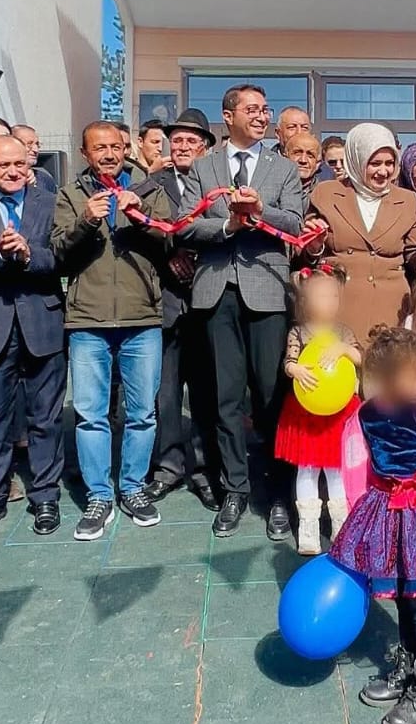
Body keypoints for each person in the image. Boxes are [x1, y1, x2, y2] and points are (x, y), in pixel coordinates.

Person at [181, 84, 304, 540]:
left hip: (267, 292)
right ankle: (235, 488)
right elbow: (185, 226)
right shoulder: (203, 166)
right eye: (251, 109)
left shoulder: (283, 167)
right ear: (228, 116)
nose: (261, 116)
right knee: (225, 398)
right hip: (216, 293)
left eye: (265, 110)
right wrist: (228, 225)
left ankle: (277, 493)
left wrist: (261, 211)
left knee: (271, 398)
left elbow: (296, 223)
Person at [334, 327, 416, 724]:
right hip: (388, 518)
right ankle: (408, 668)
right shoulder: (366, 416)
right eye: (415, 374)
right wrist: (363, 517)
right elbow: (356, 468)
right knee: (402, 600)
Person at [52, 121, 171, 539]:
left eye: (115, 147)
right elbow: (58, 254)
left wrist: (141, 218)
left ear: (126, 149)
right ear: (85, 153)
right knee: (90, 415)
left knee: (142, 413)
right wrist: (86, 221)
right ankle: (99, 495)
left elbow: (170, 244)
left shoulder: (150, 191)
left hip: (142, 317)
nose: (108, 154)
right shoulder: (70, 195)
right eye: (99, 148)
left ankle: (133, 488)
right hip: (88, 319)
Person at [0, 136, 65, 539]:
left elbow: (64, 258)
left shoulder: (50, 202)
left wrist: (29, 254)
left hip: (42, 320)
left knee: (46, 418)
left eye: (20, 163)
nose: (13, 171)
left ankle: (46, 496)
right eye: (4, 165)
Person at [144, 108, 217, 509]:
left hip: (208, 300)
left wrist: (197, 255)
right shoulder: (152, 184)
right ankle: (168, 467)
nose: (183, 146)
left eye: (192, 140)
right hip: (168, 302)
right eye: (177, 140)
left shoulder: (219, 182)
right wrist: (169, 254)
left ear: (206, 147)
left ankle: (205, 469)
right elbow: (138, 233)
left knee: (207, 392)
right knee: (166, 394)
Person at [306, 124, 416, 343]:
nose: (383, 171)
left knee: (385, 363)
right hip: (338, 305)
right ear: (356, 160)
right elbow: (302, 254)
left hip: (391, 308)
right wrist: (314, 246)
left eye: (389, 163)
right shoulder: (326, 194)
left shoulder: (407, 200)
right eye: (375, 163)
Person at [276, 265, 361, 553]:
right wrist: (296, 370)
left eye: (333, 296)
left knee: (337, 470)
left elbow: (360, 357)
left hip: (338, 413)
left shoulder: (343, 332)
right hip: (307, 413)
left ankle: (341, 525)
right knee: (308, 470)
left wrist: (343, 349)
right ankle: (308, 527)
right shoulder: (298, 332)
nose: (329, 302)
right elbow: (289, 362)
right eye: (322, 296)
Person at [10, 124, 58, 194]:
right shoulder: (1, 178)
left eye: (37, 145)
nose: (36, 150)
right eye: (29, 144)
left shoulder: (45, 179)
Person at [285, 130, 324, 211]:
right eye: (297, 153)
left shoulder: (325, 193)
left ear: (318, 163)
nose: (303, 160)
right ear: (285, 157)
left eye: (310, 155)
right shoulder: (271, 188)